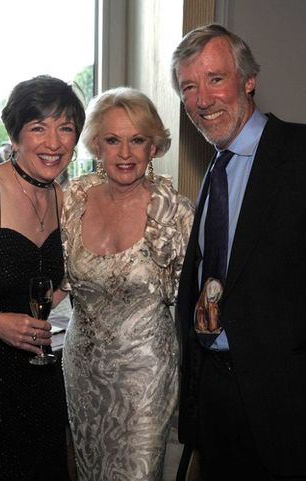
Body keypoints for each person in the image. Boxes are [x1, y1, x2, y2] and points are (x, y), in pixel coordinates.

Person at [171, 23, 306, 481]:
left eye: (215, 79)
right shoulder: (214, 170)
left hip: (286, 407)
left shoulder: (298, 155)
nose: (202, 100)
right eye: (189, 86)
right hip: (216, 399)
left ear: (249, 80)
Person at [60, 86, 194, 481]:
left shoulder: (175, 214)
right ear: (96, 146)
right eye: (113, 140)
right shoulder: (72, 200)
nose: (124, 153)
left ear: (153, 148)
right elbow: (58, 278)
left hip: (145, 375)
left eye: (137, 140)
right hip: (81, 369)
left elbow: (197, 301)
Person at [0, 74, 85, 480]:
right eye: (38, 127)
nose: (53, 142)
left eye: (65, 128)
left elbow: (57, 284)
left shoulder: (66, 201)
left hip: (37, 378)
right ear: (15, 135)